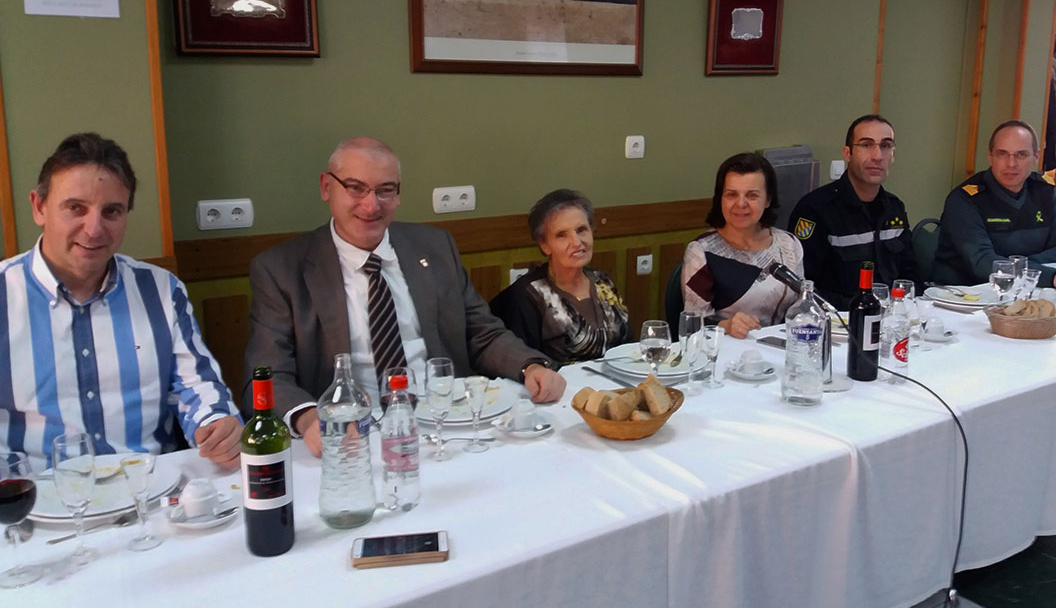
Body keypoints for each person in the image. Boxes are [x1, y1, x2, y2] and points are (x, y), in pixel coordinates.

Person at [245, 137, 566, 456]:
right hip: (352, 438)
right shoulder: (282, 271)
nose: (371, 206)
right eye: (355, 188)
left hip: (444, 425)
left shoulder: (435, 247)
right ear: (326, 188)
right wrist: (308, 417)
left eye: (385, 190)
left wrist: (529, 366)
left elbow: (481, 331)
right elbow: (268, 373)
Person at [0, 133, 242, 470]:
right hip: (38, 500)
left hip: (151, 489)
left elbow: (195, 384)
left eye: (111, 211)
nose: (94, 229)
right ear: (39, 207)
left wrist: (216, 423)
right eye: (76, 208)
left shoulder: (159, 289)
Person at [933, 120, 1056, 293]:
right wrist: (1051, 276)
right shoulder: (964, 200)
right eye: (1002, 154)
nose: (1011, 164)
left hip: (1025, 291)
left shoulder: (1044, 192)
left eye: (1021, 155)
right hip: (965, 297)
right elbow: (983, 263)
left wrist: (1021, 267)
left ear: (1036, 157)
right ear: (990, 157)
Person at [787, 114, 918, 310]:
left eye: (885, 146)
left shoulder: (894, 208)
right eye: (866, 145)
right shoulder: (816, 209)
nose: (877, 156)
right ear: (847, 153)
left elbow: (910, 274)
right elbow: (804, 286)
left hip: (893, 317)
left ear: (893, 154)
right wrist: (863, 307)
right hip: (840, 320)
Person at [490, 189, 630, 363]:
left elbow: (628, 349)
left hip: (616, 387)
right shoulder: (528, 296)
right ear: (544, 245)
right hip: (559, 389)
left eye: (581, 230)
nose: (577, 242)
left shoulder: (603, 283)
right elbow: (522, 363)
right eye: (561, 235)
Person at [682, 152, 803, 338]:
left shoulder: (789, 244)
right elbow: (693, 325)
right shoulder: (702, 252)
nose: (741, 203)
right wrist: (725, 326)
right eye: (731, 195)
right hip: (727, 353)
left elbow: (801, 309)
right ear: (720, 198)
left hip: (783, 350)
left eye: (752, 195)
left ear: (768, 200)